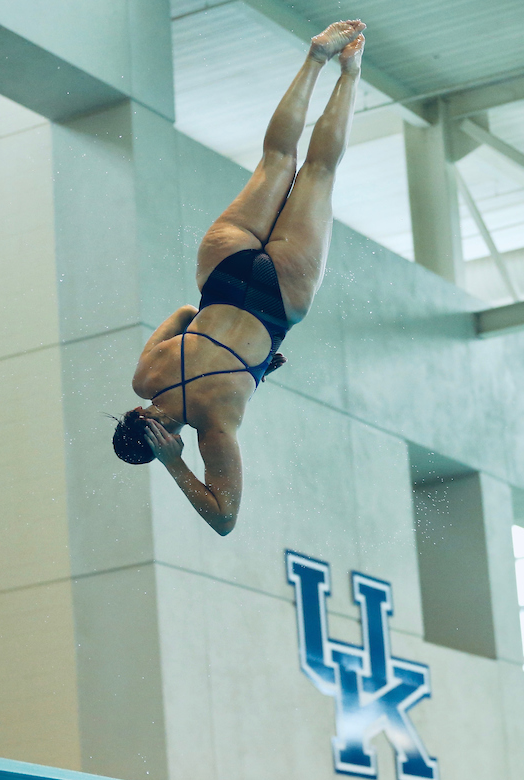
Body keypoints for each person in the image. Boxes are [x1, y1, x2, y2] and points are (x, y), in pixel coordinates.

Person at [112, 20, 366, 536]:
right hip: (223, 271)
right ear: (137, 412)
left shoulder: (214, 428)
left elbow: (224, 518)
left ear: (164, 439)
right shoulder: (146, 378)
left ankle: (350, 70)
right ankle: (316, 58)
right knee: (277, 159)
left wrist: (176, 463)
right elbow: (186, 314)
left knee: (319, 172)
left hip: (279, 298)